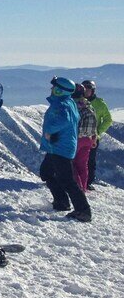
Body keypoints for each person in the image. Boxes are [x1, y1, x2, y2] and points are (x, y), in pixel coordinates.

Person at [38, 77, 90, 222]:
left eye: (54, 87)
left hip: (60, 148)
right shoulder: (65, 102)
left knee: (67, 180)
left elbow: (64, 121)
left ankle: (83, 210)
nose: (51, 89)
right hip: (56, 147)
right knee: (46, 172)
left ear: (59, 90)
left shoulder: (63, 104)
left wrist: (50, 131)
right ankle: (61, 202)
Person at [81, 80, 113, 190]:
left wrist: (98, 132)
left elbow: (108, 119)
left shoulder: (100, 104)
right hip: (79, 135)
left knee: (90, 160)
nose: (85, 92)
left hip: (92, 138)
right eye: (84, 89)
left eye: (88, 90)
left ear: (93, 91)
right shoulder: (79, 101)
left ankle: (88, 182)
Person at [72, 84, 98, 193]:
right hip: (88, 138)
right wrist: (94, 138)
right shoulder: (88, 104)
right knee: (83, 165)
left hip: (76, 138)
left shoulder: (73, 105)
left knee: (71, 164)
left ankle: (77, 188)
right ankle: (83, 187)